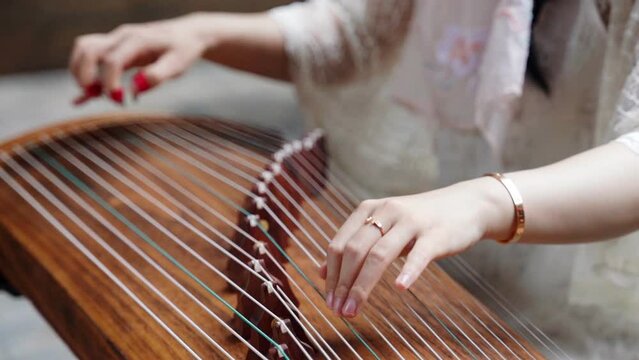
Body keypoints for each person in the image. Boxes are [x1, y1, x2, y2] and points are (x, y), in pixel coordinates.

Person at [69, 0, 639, 353]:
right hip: (444, 294)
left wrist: (485, 202)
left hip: (584, 308)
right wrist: (205, 30)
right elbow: (361, 30)